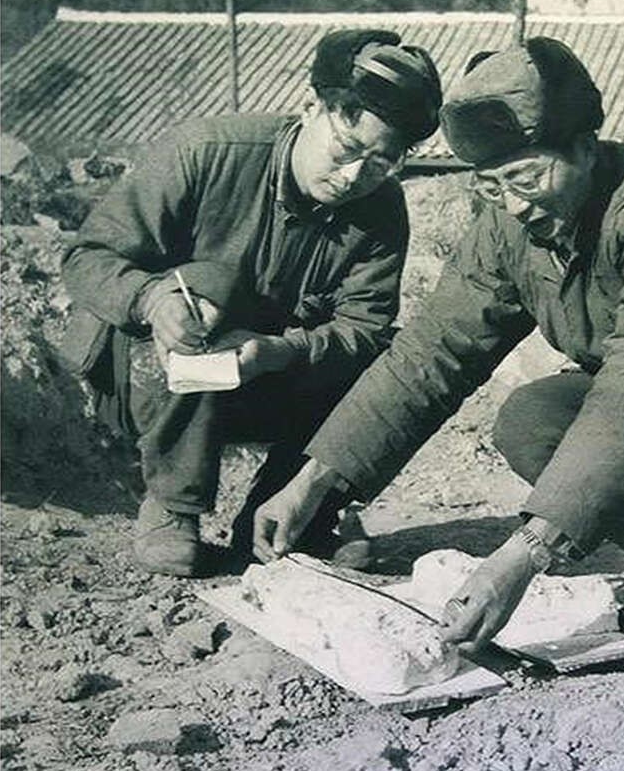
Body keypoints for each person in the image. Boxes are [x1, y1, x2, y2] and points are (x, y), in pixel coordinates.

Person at [249, 36, 624, 650]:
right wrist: (315, 480)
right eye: (490, 186)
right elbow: (431, 353)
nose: (512, 204)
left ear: (585, 149)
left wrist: (525, 553)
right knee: (535, 418)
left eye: (525, 177)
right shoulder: (510, 223)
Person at [60, 29, 443, 578]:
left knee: (385, 362)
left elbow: (367, 325)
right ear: (312, 107)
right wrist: (153, 299)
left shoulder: (382, 210)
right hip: (147, 373)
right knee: (207, 286)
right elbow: (88, 257)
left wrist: (277, 351)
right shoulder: (203, 151)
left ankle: (289, 515)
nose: (355, 177)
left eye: (381, 163)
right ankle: (173, 507)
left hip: (260, 375)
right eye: (348, 150)